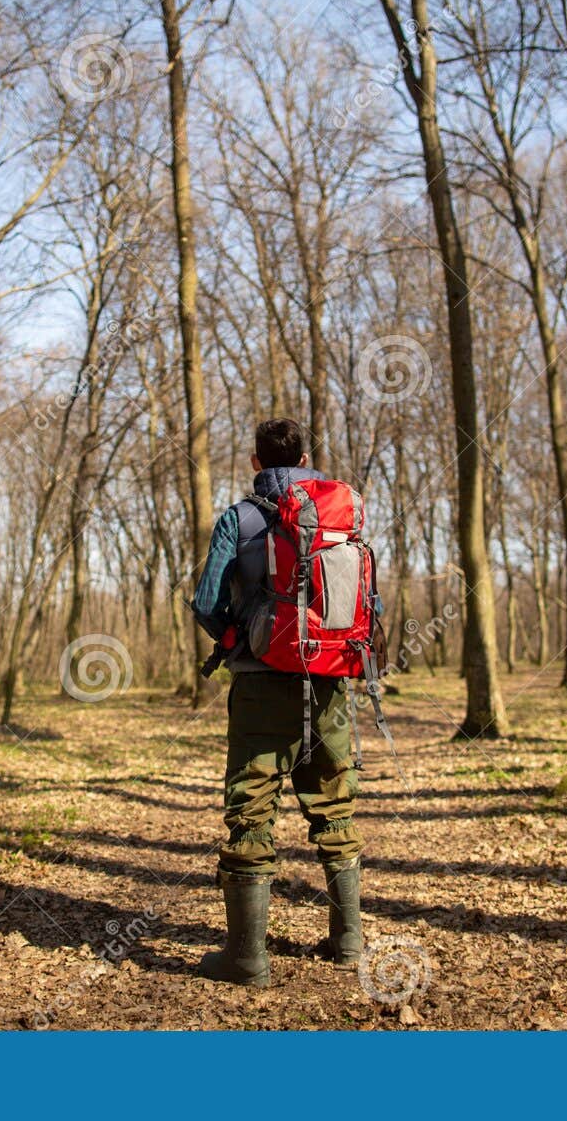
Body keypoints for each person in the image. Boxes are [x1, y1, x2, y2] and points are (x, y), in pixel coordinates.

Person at [190, 417, 364, 988]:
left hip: (261, 683)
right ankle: (347, 942)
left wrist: (235, 638)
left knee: (252, 807)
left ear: (254, 461)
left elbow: (206, 601)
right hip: (331, 679)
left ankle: (247, 958)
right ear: (309, 456)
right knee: (333, 802)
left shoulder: (239, 517)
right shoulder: (341, 511)